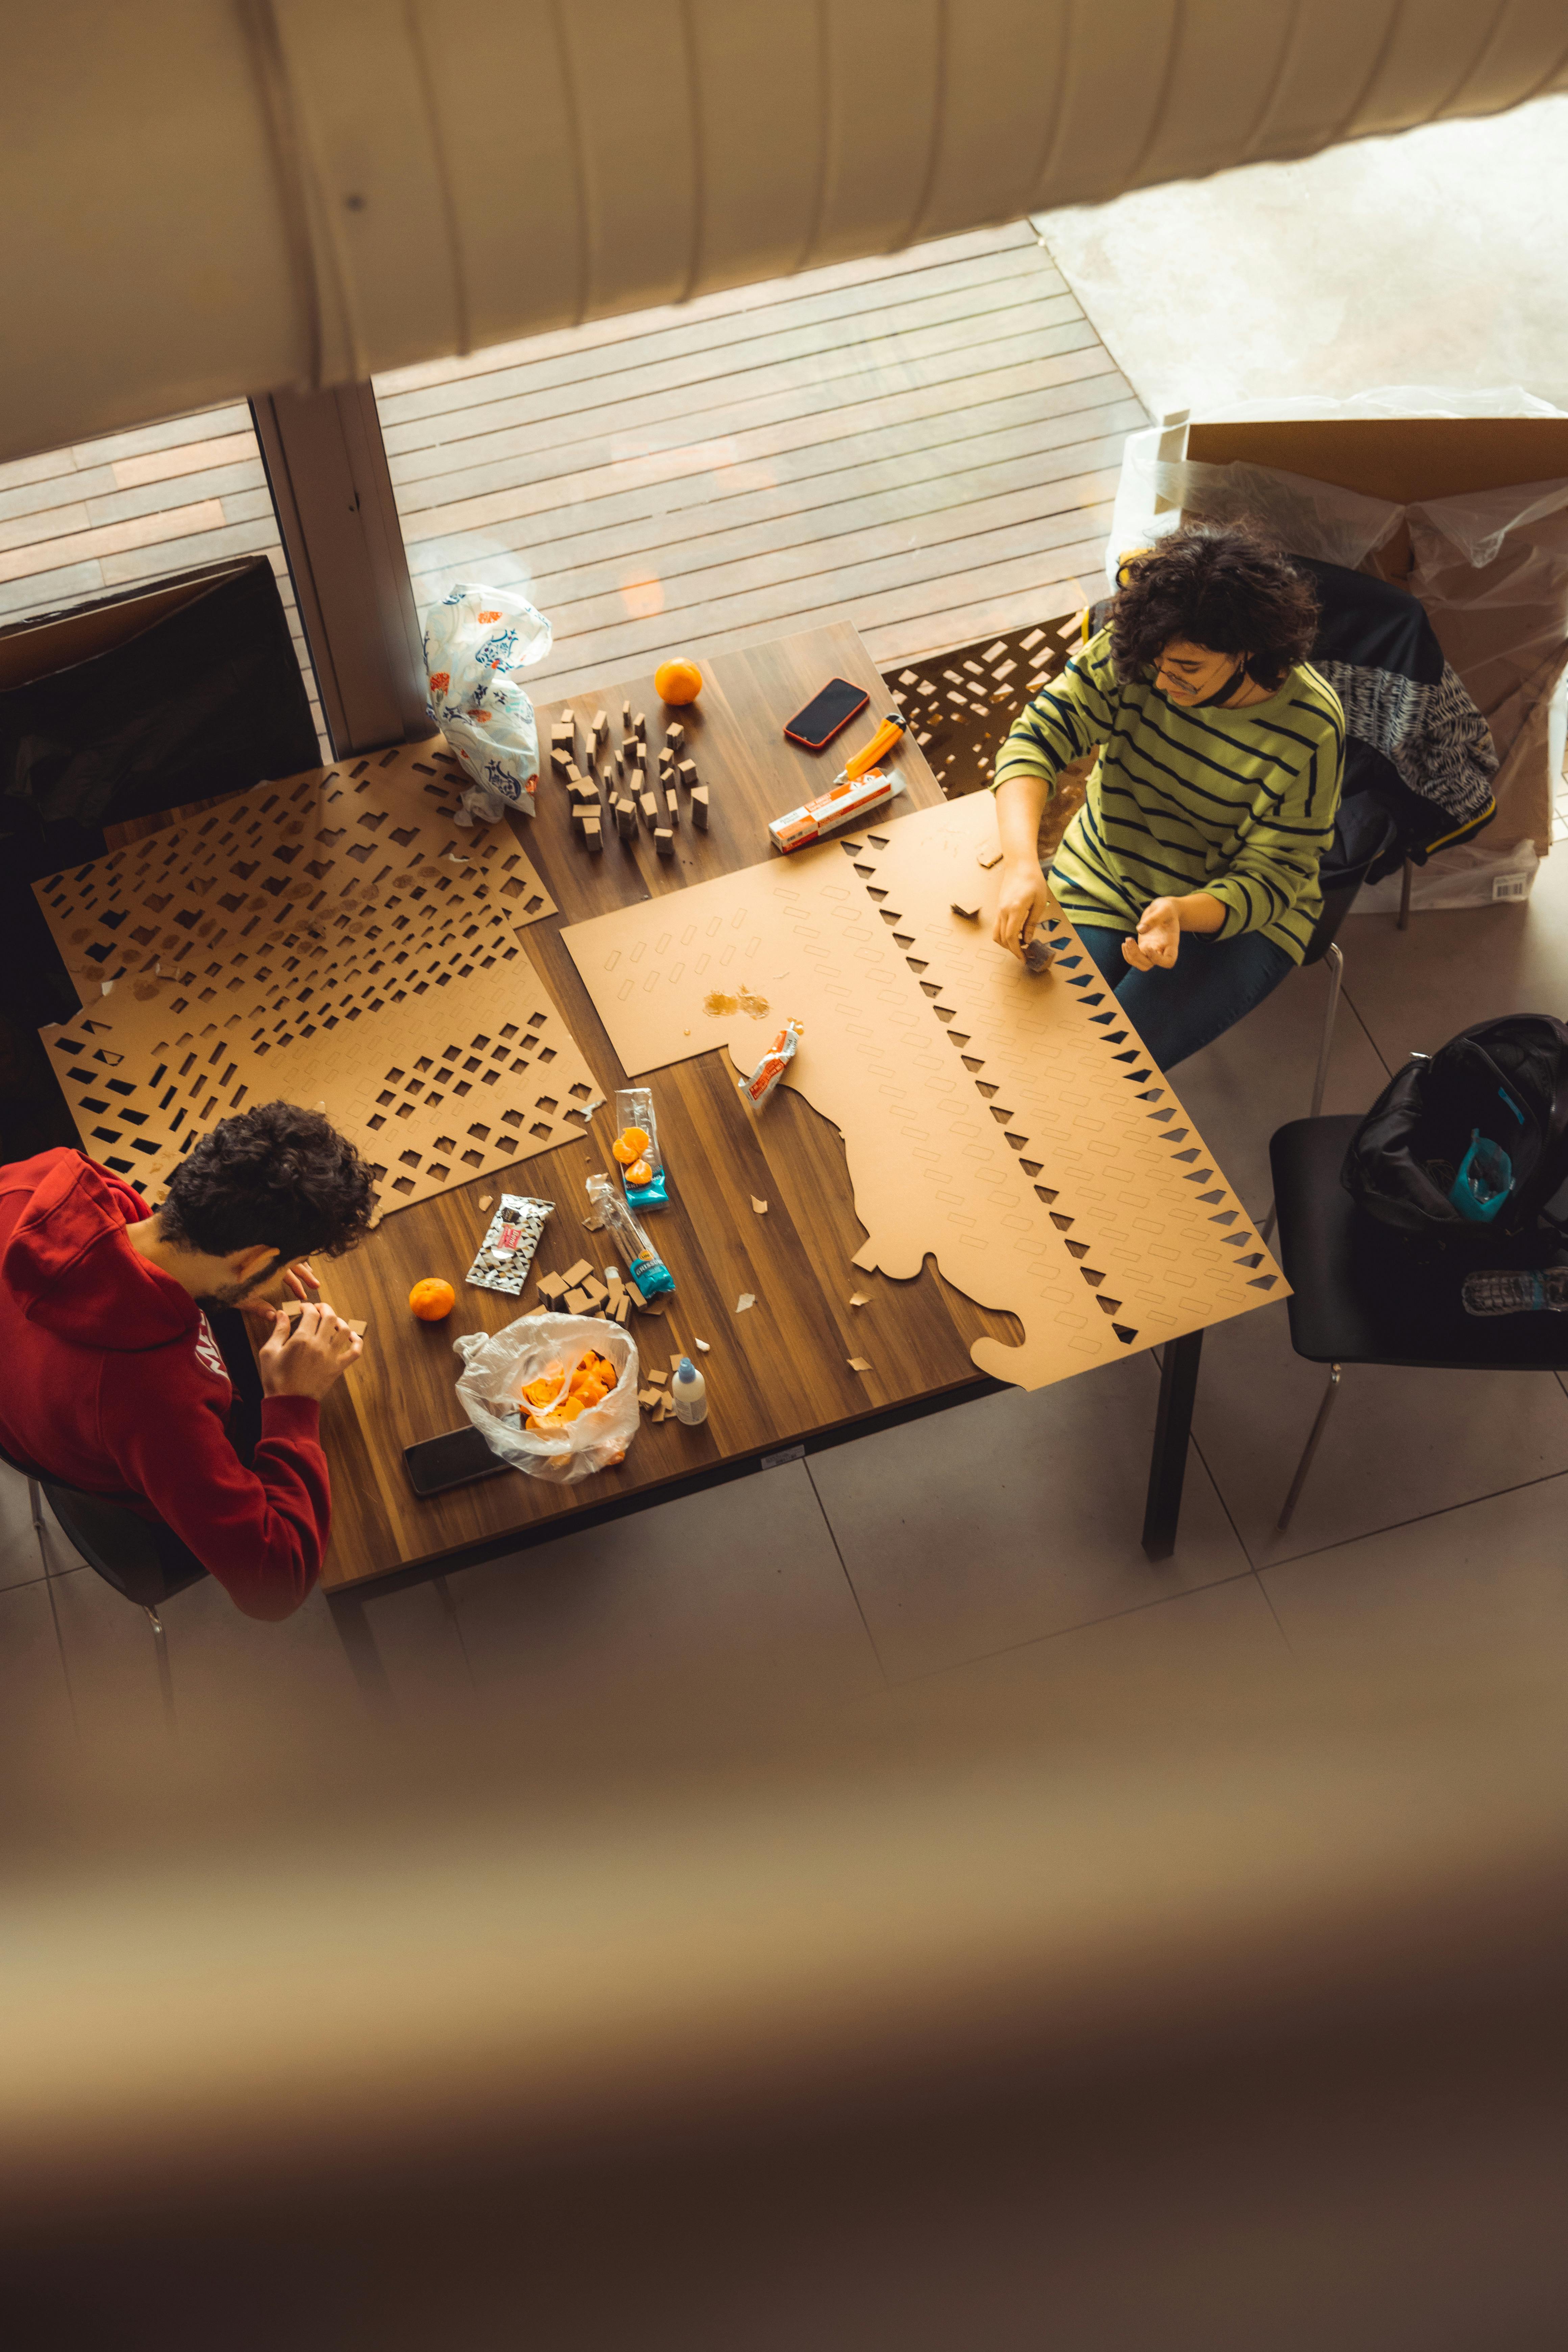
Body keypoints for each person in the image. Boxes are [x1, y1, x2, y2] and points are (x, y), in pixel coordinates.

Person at [0, 1102, 375, 1621]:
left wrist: (217, 1283)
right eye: (284, 1265)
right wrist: (293, 1403)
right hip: (142, 1502)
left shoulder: (46, 1177)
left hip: (34, 1410)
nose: (286, 1276)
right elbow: (274, 1586)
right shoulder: (153, 1403)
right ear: (255, 1259)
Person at [991, 520, 1345, 1069]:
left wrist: (1182, 912)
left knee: (1108, 1072)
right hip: (1108, 871)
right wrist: (1021, 864)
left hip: (1231, 917)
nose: (1161, 684)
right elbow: (1036, 737)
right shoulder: (1143, 645)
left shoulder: (1314, 726)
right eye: (1159, 664)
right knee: (1031, 1047)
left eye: (1187, 670)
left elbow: (1276, 877)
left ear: (1250, 651)